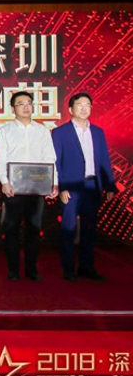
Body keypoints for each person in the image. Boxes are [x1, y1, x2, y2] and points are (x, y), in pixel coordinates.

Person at [0, 91, 58, 282]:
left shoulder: (42, 131)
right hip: (13, 188)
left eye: (29, 103)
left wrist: (53, 181)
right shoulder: (5, 131)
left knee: (34, 229)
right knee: (11, 229)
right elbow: (0, 159)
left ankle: (31, 269)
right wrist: (4, 182)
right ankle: (13, 269)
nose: (25, 107)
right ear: (13, 108)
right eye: (20, 103)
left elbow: (50, 158)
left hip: (37, 188)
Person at [52, 93, 116, 282]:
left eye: (87, 105)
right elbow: (56, 162)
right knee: (68, 229)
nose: (84, 108)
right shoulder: (60, 132)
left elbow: (104, 160)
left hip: (92, 186)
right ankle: (68, 269)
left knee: (89, 229)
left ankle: (87, 268)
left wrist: (109, 185)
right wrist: (61, 187)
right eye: (79, 105)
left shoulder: (98, 132)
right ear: (70, 109)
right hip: (70, 188)